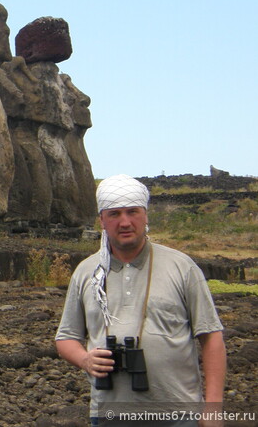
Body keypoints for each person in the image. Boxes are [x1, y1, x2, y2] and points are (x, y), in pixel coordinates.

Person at [55, 174, 226, 426]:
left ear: (146, 215)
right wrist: (85, 360)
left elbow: (211, 337)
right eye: (114, 214)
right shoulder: (85, 271)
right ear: (102, 220)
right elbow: (66, 337)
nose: (125, 222)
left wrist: (213, 408)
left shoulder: (181, 267)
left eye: (132, 212)